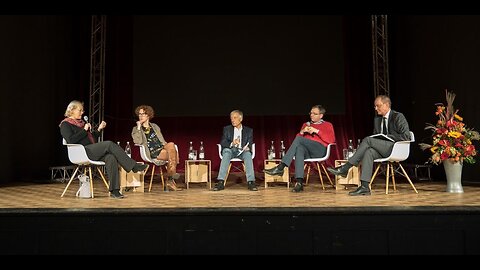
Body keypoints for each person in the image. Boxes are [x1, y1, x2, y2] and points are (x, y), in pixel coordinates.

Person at [59, 100, 147, 199]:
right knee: (109, 144)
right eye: (80, 110)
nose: (82, 112)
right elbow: (71, 140)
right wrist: (84, 130)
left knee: (111, 157)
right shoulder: (65, 124)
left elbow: (92, 141)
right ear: (72, 110)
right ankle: (133, 166)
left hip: (90, 150)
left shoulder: (82, 123)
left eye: (82, 111)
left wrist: (99, 129)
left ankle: (115, 191)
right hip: (82, 152)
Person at [327, 95, 411, 196]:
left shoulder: (398, 116)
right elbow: (376, 136)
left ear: (386, 105)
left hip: (395, 148)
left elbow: (406, 136)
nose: (376, 108)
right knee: (369, 152)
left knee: (367, 140)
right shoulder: (377, 119)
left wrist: (388, 137)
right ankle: (364, 187)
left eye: (378, 106)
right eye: (375, 106)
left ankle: (346, 168)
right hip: (382, 149)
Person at [264, 105, 336, 192]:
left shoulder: (327, 125)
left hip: (319, 150)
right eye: (311, 113)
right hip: (307, 151)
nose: (311, 115)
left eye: (314, 113)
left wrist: (316, 131)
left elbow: (331, 140)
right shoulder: (306, 124)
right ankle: (299, 183)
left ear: (321, 115)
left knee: (299, 140)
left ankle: (281, 167)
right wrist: (302, 131)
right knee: (299, 149)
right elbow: (298, 140)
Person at [131, 105, 182, 191]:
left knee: (171, 145)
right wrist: (139, 128)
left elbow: (162, 141)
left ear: (148, 115)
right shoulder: (135, 129)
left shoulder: (155, 126)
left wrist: (168, 148)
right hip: (152, 151)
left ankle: (170, 179)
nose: (141, 116)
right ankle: (170, 179)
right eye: (139, 114)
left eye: (143, 114)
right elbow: (138, 142)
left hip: (162, 147)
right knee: (174, 156)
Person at [214, 109, 257, 191]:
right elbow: (223, 142)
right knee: (226, 152)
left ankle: (251, 182)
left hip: (242, 151)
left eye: (235, 118)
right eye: (231, 118)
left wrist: (248, 147)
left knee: (248, 154)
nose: (232, 120)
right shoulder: (227, 129)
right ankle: (220, 182)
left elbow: (250, 143)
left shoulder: (248, 130)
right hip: (231, 150)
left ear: (240, 119)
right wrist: (232, 143)